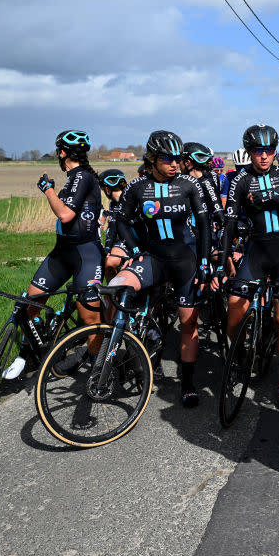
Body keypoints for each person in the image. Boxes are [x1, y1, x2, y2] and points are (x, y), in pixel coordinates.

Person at [106, 130, 211, 407]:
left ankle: (187, 384)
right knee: (115, 289)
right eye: (167, 158)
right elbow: (121, 220)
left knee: (189, 325)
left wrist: (203, 263)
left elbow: (202, 225)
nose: (175, 163)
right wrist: (135, 250)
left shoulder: (189, 184)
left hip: (185, 261)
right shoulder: (137, 187)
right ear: (151, 159)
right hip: (154, 259)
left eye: (177, 158)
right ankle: (136, 351)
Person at [214, 124, 279, 409]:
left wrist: (278, 201)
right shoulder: (241, 179)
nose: (264, 156)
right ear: (250, 152)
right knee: (234, 306)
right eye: (258, 151)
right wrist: (221, 263)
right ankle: (240, 357)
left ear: (275, 151)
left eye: (269, 150)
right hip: (256, 251)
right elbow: (229, 224)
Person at [3, 130, 104, 379]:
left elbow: (66, 215)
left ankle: (99, 368)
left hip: (85, 255)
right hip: (62, 252)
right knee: (30, 304)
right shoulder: (74, 177)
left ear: (61, 153)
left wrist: (48, 189)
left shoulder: (81, 176)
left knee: (89, 318)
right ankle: (27, 354)